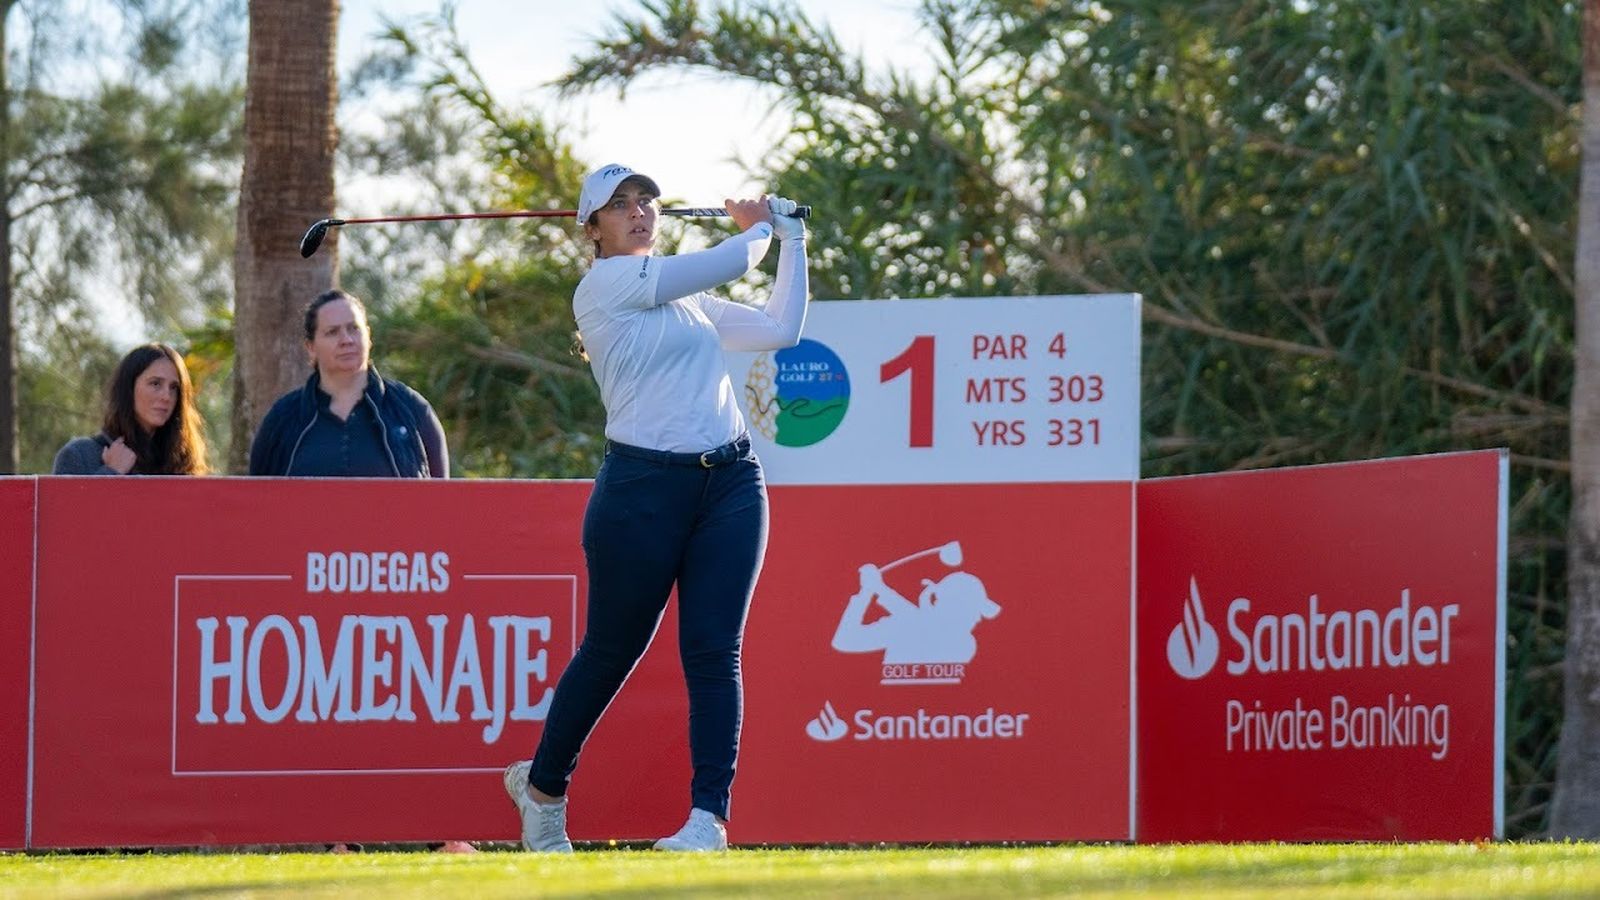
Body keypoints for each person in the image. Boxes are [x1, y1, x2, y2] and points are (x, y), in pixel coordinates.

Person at [502, 163, 809, 853]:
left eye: (646, 200)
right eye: (620, 205)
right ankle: (543, 792)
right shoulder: (605, 286)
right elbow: (732, 259)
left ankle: (708, 819)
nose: (638, 212)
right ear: (593, 229)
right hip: (642, 490)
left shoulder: (685, 299)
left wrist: (792, 241)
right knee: (612, 651)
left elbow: (779, 328)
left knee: (714, 650)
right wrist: (759, 227)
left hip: (731, 482)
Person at [249, 289, 448, 478]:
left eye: (354, 328)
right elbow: (257, 496)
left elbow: (441, 496)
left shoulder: (410, 409)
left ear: (368, 336)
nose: (346, 340)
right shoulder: (282, 419)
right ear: (311, 347)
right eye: (332, 332)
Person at [53, 343, 209, 475]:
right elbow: (66, 504)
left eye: (174, 387)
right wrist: (112, 472)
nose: (166, 396)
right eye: (155, 383)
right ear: (128, 388)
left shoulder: (183, 465)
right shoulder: (80, 455)